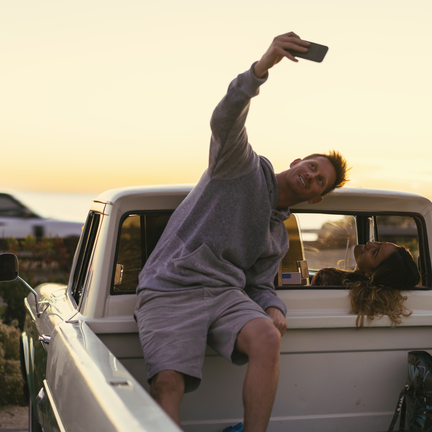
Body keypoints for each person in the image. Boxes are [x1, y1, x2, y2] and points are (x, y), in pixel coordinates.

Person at [134, 32, 350, 431]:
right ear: (299, 160)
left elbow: (259, 284)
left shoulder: (278, 237)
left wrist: (273, 305)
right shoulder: (241, 165)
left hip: (224, 295)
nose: (312, 175)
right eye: (313, 166)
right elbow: (224, 118)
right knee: (167, 382)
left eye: (320, 181)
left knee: (269, 337)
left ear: (318, 198)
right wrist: (261, 68)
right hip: (169, 287)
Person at [310, 241, 420, 328]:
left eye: (374, 252)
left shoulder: (327, 278)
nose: (370, 244)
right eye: (379, 243)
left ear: (370, 274)